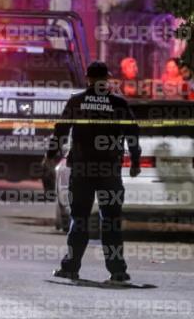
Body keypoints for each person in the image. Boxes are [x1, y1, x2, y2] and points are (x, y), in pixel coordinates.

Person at [44, 61, 141, 283]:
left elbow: (61, 131)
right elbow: (132, 133)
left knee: (79, 220)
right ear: (107, 79)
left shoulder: (77, 101)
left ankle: (70, 268)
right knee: (111, 221)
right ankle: (117, 271)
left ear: (87, 78)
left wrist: (50, 156)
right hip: (109, 171)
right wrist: (135, 161)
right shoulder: (118, 103)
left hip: (82, 169)